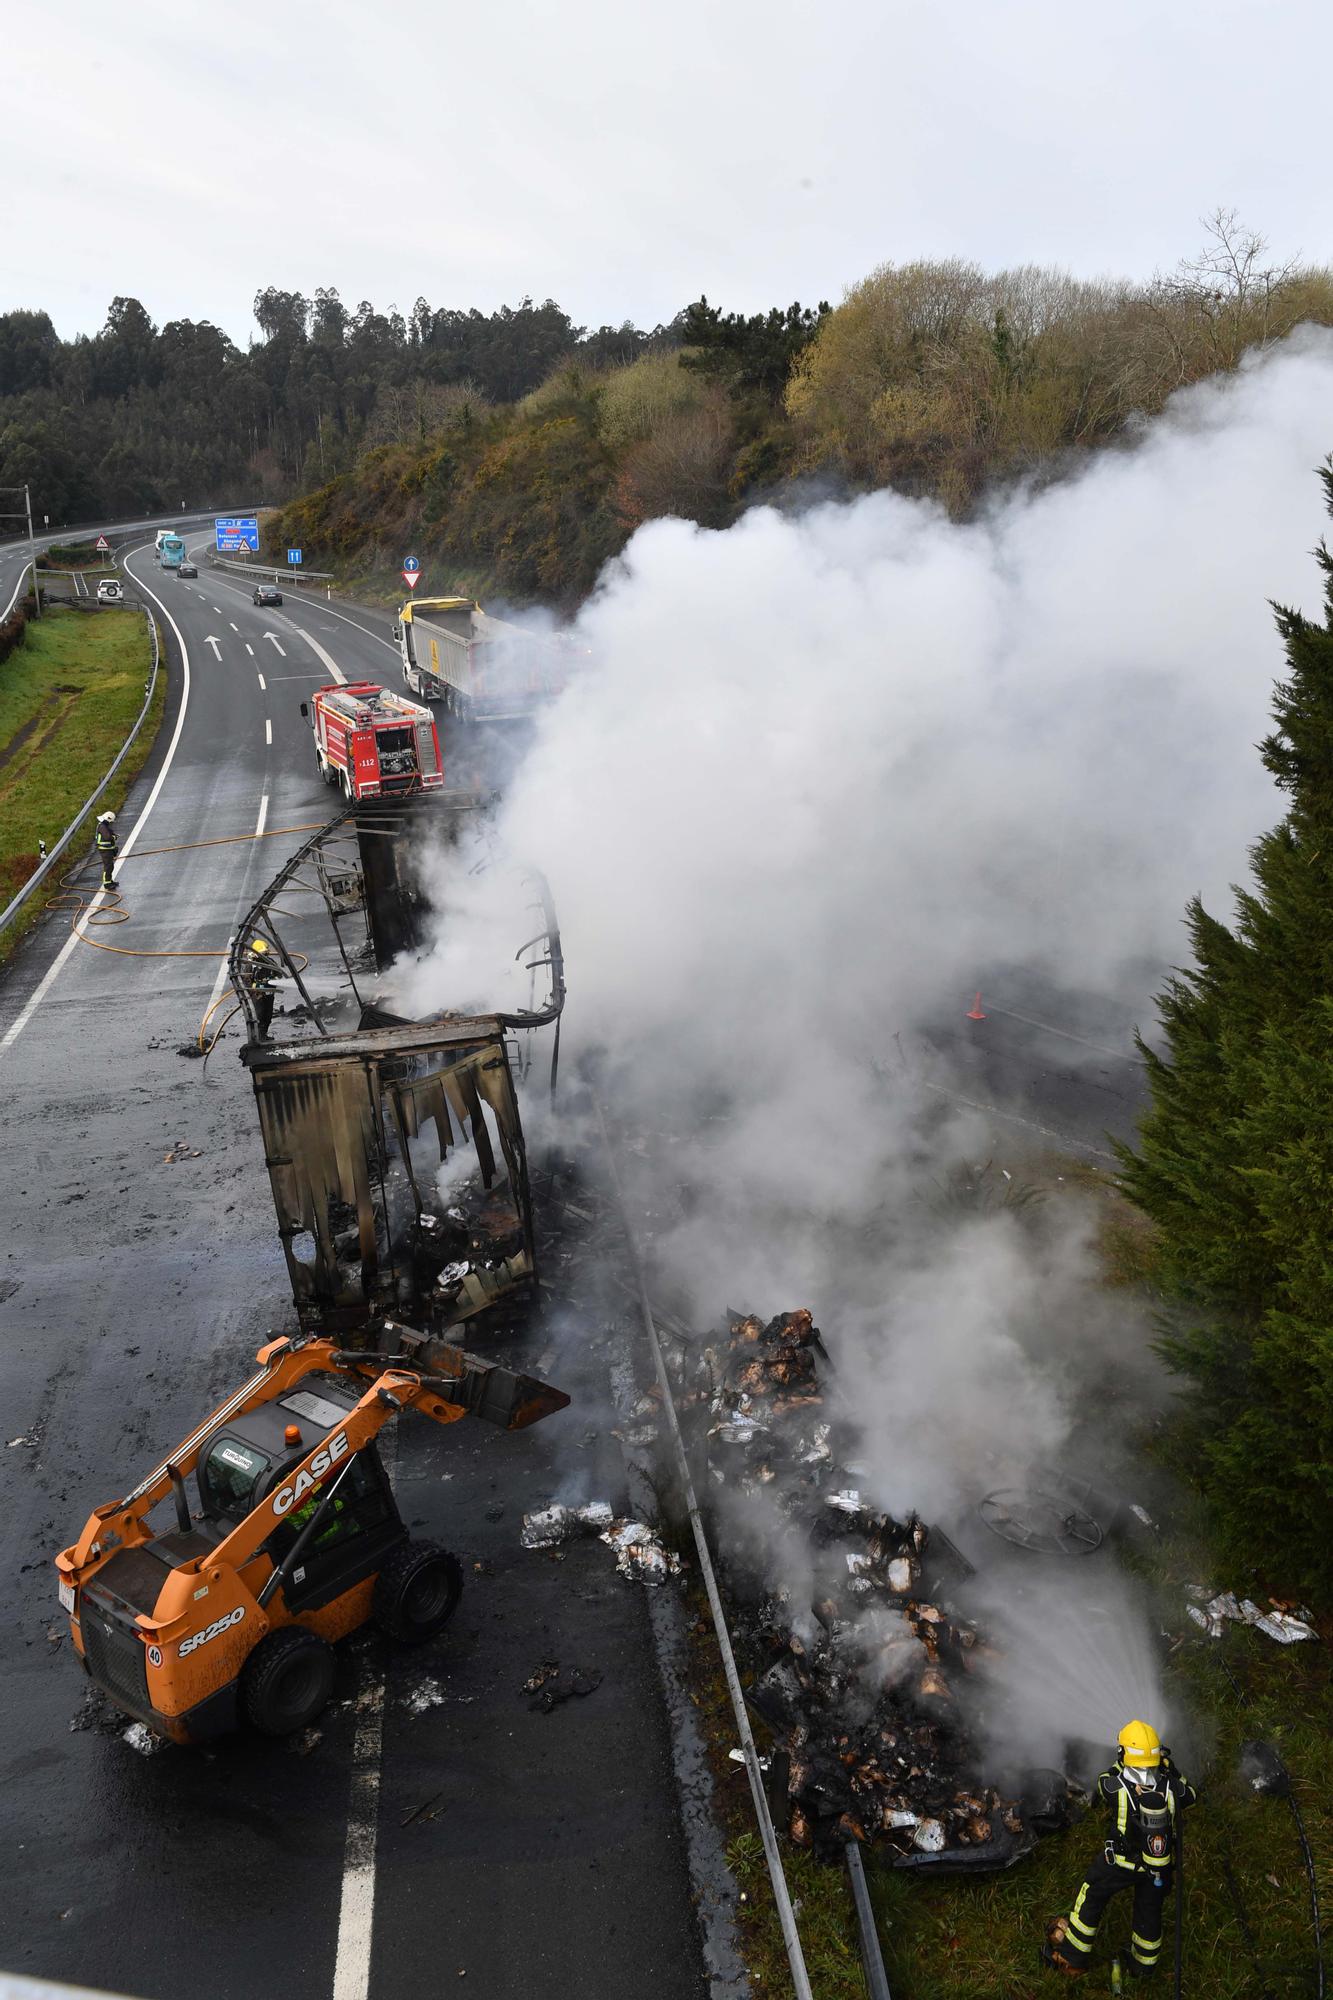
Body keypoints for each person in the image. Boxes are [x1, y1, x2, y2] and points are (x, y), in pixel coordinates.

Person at [1043, 1720, 1197, 1980]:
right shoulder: (1172, 1788)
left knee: (1091, 1896)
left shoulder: (1118, 1787)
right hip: (1158, 1868)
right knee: (1149, 1913)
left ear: (1125, 1755)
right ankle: (1143, 1967)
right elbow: (1190, 1795)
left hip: (1120, 1863)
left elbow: (1104, 1780)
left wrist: (1119, 1763)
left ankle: (1072, 1958)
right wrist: (1171, 1770)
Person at [94, 811, 118, 891]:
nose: (110, 823)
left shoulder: (104, 826)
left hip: (107, 849)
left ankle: (110, 881)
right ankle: (107, 884)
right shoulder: (102, 826)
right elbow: (107, 837)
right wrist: (113, 837)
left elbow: (109, 833)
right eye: (110, 822)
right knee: (108, 866)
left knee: (110, 866)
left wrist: (114, 834)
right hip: (104, 850)